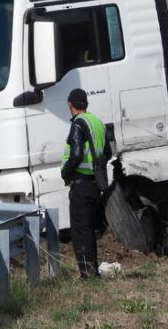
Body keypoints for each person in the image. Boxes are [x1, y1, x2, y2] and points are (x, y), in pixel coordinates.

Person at [61, 88, 109, 279]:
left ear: (70, 105)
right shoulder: (97, 122)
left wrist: (65, 171)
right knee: (89, 228)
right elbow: (107, 152)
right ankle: (92, 270)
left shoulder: (78, 125)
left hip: (80, 184)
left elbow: (76, 154)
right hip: (95, 183)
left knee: (80, 229)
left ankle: (87, 273)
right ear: (86, 104)